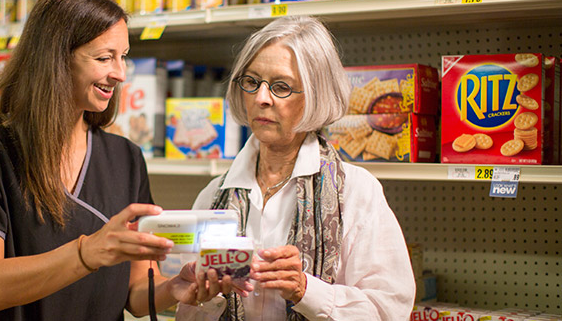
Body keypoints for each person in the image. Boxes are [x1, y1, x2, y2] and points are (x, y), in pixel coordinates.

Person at [0, 0, 199, 320]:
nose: (119, 73)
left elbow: (134, 293)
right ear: (56, 59)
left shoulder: (125, 158)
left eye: (123, 58)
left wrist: (176, 287)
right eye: (104, 58)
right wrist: (88, 253)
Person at [176, 16, 415, 320]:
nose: (261, 99)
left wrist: (306, 290)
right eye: (251, 82)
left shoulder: (356, 192)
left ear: (317, 95)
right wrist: (206, 297)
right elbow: (187, 312)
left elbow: (389, 311)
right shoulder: (214, 196)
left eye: (281, 87)